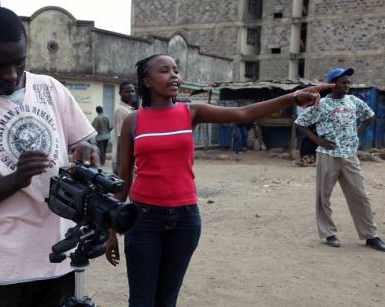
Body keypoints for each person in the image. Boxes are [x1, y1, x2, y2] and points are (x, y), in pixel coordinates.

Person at [104, 54, 333, 307]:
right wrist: (111, 230)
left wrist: (292, 97)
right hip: (144, 219)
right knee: (141, 300)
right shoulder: (133, 121)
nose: (174, 76)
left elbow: (244, 113)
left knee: (167, 300)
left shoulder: (190, 112)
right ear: (147, 81)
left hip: (185, 220)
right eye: (164, 70)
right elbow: (122, 179)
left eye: (176, 70)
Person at [0, 7, 99, 307]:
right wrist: (16, 180)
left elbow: (85, 141)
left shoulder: (50, 89)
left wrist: (89, 149)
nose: (11, 75)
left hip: (60, 261)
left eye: (19, 63)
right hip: (4, 274)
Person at [295, 67, 385, 252]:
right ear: (333, 84)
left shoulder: (354, 101)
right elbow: (300, 123)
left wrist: (357, 132)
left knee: (360, 195)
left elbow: (369, 116)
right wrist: (317, 140)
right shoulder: (321, 104)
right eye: (344, 82)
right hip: (327, 155)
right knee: (323, 196)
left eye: (349, 82)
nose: (348, 85)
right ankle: (328, 233)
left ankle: (371, 235)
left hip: (349, 155)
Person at [112, 80, 136, 174]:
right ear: (120, 93)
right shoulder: (122, 111)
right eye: (127, 91)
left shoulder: (129, 110)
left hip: (128, 159)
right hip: (123, 161)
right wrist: (119, 164)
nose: (130, 94)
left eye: (132, 91)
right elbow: (121, 137)